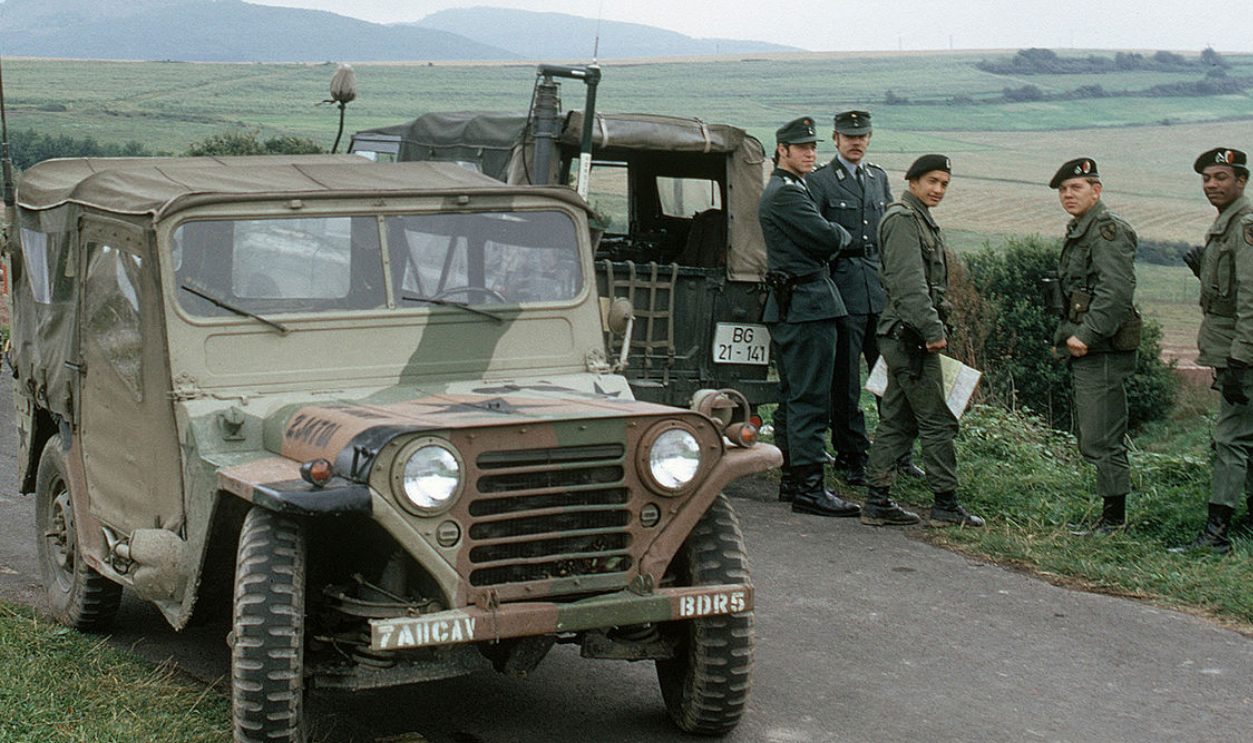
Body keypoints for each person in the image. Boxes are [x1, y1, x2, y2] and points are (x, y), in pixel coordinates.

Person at [861, 155, 982, 527]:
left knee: (898, 420)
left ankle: (877, 499)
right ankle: (945, 503)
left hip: (905, 336)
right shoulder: (902, 220)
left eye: (944, 183)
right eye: (932, 181)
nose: (938, 189)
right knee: (938, 420)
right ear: (912, 181)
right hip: (910, 337)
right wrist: (932, 331)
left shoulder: (919, 220)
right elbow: (909, 285)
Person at [807, 110, 923, 486]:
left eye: (862, 136)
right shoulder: (821, 182)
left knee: (889, 375)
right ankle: (852, 455)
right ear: (836, 139)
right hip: (842, 291)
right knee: (846, 381)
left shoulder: (878, 179)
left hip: (879, 289)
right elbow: (816, 240)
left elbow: (889, 235)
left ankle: (896, 453)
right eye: (848, 136)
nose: (856, 142)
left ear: (870, 138)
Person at [759, 116, 860, 517]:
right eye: (802, 148)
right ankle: (809, 489)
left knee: (794, 395)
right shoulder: (786, 194)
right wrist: (840, 235)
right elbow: (826, 237)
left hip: (801, 302)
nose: (810, 153)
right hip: (806, 303)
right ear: (781, 150)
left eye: (813, 147)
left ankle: (792, 480)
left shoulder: (793, 188)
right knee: (810, 398)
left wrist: (831, 234)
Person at [1048, 158, 1140, 536]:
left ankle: (1115, 520)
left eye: (1077, 187)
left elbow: (1116, 293)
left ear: (1096, 191)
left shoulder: (1106, 230)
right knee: (1094, 433)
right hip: (1091, 346)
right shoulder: (1082, 230)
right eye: (1063, 190)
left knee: (1103, 434)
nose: (1068, 195)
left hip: (1102, 348)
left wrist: (1085, 335)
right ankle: (1109, 515)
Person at [1171, 148, 1253, 553]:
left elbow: (1252, 299)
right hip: (1230, 348)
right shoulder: (1227, 223)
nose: (1211, 185)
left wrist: (1240, 358)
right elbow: (1230, 288)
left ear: (1242, 181)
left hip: (1241, 352)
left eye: (1221, 177)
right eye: (1206, 178)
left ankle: (1216, 534)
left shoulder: (1245, 225)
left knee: (1231, 439)